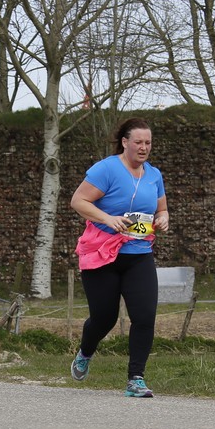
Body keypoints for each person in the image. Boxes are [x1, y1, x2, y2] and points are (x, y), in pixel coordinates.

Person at [68, 117, 170, 397]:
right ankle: (85, 352)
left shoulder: (154, 175)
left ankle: (136, 379)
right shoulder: (107, 169)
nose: (143, 147)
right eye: (138, 142)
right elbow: (78, 201)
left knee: (145, 316)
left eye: (148, 143)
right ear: (125, 142)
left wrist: (163, 219)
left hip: (139, 254)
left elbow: (161, 209)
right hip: (102, 254)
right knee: (104, 318)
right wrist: (107, 218)